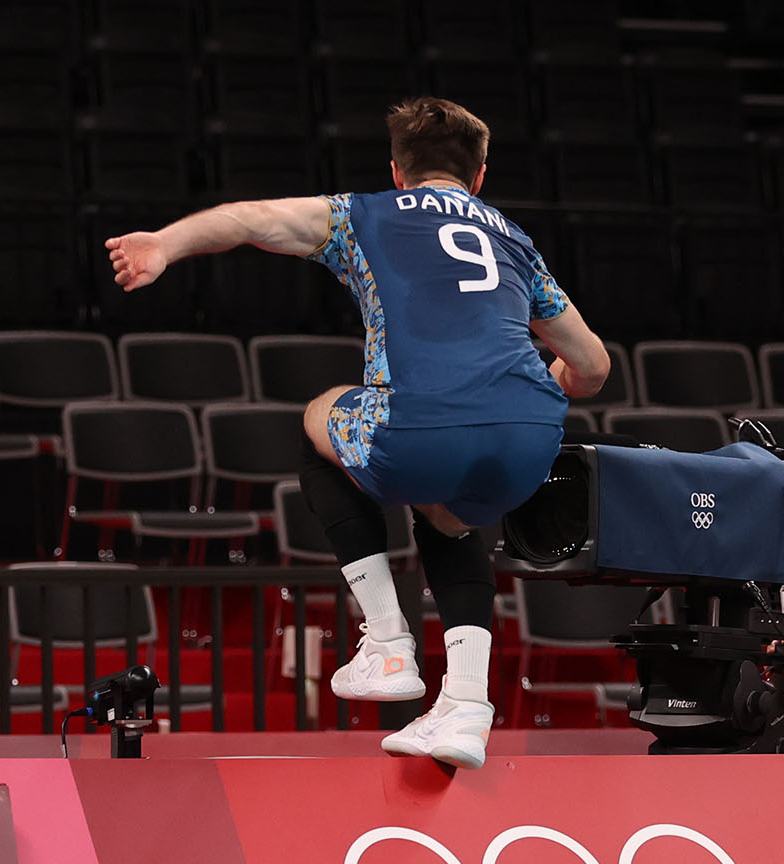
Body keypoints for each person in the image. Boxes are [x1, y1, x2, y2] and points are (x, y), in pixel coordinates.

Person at [106, 98, 609, 768]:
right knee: (447, 517)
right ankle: (466, 705)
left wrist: (164, 245)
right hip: (528, 442)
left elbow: (251, 220)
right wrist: (542, 391)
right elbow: (593, 366)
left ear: (398, 171)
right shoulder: (513, 239)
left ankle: (387, 641)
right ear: (480, 175)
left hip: (419, 428)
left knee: (319, 417)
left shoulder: (364, 214)